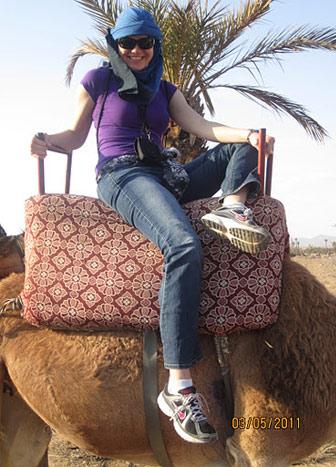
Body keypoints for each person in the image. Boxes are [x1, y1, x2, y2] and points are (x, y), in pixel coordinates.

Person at [31, 7, 274, 444]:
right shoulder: (99, 80)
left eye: (145, 43)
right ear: (116, 46)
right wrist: (46, 141)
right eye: (128, 43)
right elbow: (76, 136)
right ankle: (178, 385)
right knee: (182, 245)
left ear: (155, 45)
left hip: (166, 173)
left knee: (239, 147)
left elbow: (203, 127)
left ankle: (232, 205)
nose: (137, 50)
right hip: (122, 175)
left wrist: (251, 135)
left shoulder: (166, 89)